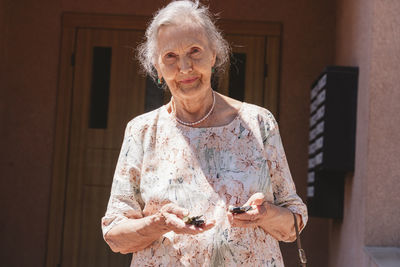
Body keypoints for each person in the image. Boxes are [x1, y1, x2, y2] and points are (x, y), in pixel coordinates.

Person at [101, 0, 308, 266]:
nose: (185, 67)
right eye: (170, 56)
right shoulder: (141, 131)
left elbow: (293, 222)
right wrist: (159, 222)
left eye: (194, 51)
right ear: (157, 67)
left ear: (214, 55)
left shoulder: (258, 123)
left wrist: (264, 213)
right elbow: (115, 235)